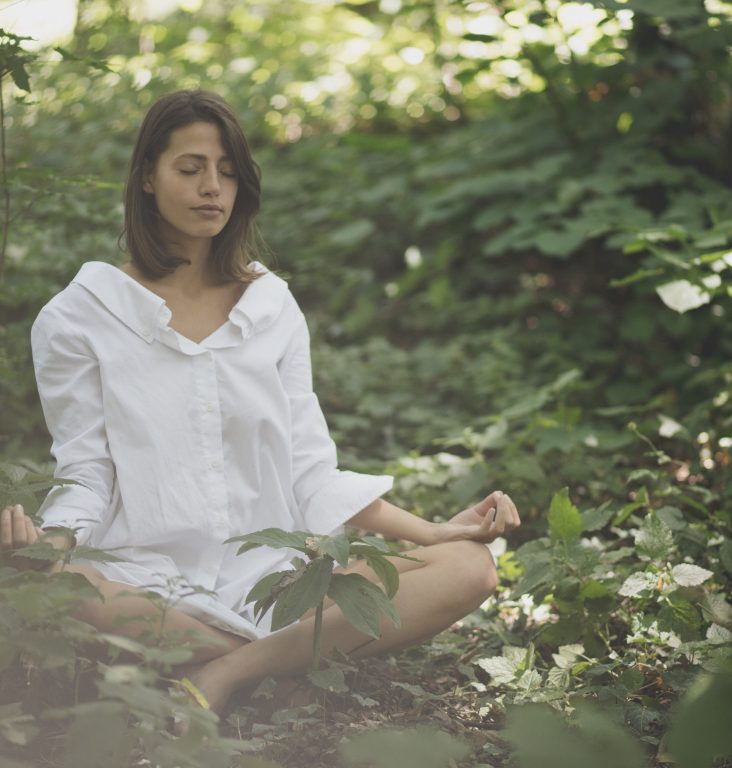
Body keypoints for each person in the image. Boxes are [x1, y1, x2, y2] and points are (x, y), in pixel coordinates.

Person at [0, 90, 521, 719]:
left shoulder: (270, 305)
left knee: (469, 568)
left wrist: (435, 531)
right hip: (146, 583)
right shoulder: (80, 316)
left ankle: (228, 670)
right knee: (62, 590)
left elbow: (309, 469)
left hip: (276, 579)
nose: (212, 188)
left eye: (227, 172)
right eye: (190, 169)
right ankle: (294, 657)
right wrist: (48, 544)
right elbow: (87, 471)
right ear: (146, 177)